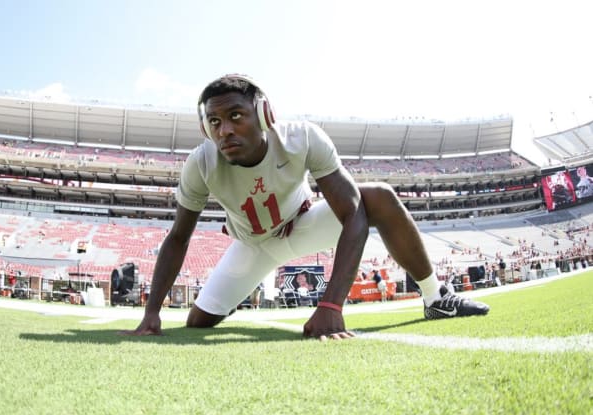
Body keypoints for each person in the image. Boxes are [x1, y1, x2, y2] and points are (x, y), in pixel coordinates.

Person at [122, 74, 489, 341]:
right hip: (252, 244)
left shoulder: (301, 139)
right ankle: (234, 297)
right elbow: (178, 238)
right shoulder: (201, 163)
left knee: (378, 196)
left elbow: (353, 212)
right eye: (214, 122)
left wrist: (332, 305)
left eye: (236, 116)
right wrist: (152, 312)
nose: (224, 131)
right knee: (198, 323)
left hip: (299, 226)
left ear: (264, 114)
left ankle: (435, 297)